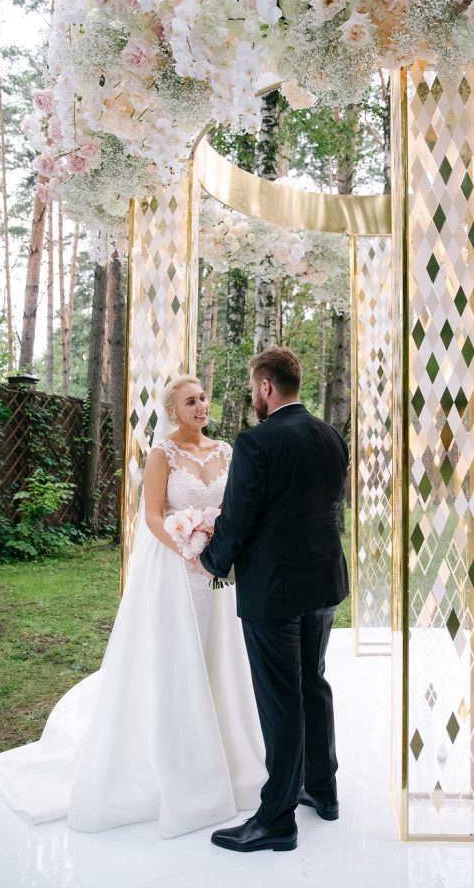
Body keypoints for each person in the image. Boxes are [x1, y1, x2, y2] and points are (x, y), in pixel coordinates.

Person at [0, 375, 265, 838]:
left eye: (203, 398)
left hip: (220, 571)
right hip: (177, 571)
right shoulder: (163, 455)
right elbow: (152, 515)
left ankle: (226, 751)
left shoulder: (226, 452)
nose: (202, 406)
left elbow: (236, 508)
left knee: (219, 653)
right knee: (178, 657)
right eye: (191, 401)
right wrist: (187, 547)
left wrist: (220, 543)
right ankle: (175, 756)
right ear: (173, 411)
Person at [199, 347, 349, 853]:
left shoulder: (257, 442)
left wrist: (212, 560)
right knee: (313, 682)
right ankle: (323, 790)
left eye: (253, 388)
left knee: (280, 698)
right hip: (324, 581)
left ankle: (277, 818)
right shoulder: (331, 435)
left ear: (266, 387)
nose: (253, 397)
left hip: (274, 588)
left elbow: (239, 519)